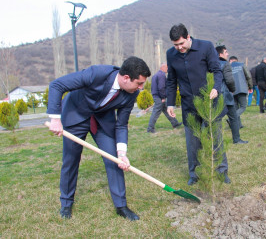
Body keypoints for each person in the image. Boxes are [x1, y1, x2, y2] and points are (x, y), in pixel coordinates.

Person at [47, 56, 151, 220]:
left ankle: (121, 206)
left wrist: (122, 153)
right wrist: (55, 119)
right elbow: (57, 85)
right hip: (76, 113)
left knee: (114, 160)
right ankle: (66, 203)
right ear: (125, 78)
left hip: (102, 119)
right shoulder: (97, 73)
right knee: (71, 159)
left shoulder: (131, 94)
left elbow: (122, 125)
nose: (141, 87)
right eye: (139, 83)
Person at [166, 23, 230, 185]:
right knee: (192, 143)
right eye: (175, 45)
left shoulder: (206, 47)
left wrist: (215, 88)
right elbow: (172, 81)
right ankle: (194, 175)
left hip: (209, 103)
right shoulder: (171, 54)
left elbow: (217, 71)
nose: (179, 47)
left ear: (188, 37)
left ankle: (222, 171)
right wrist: (170, 103)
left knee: (215, 138)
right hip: (189, 105)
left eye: (181, 43)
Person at [216, 46, 248, 144]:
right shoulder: (226, 64)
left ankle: (216, 141)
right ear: (220, 54)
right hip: (226, 95)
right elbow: (229, 80)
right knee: (233, 118)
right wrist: (233, 90)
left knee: (216, 119)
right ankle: (236, 139)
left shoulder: (211, 64)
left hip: (215, 95)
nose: (227, 54)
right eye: (225, 52)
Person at [147, 63, 182, 133]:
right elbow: (161, 87)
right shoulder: (162, 75)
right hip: (159, 97)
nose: (168, 69)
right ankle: (150, 128)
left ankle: (175, 123)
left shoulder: (156, 75)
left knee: (167, 110)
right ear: (163, 67)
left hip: (157, 96)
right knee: (156, 113)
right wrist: (163, 97)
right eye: (167, 67)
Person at [229, 56, 253, 128]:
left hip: (232, 90)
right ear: (236, 60)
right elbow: (248, 76)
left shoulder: (228, 66)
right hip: (241, 88)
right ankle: (231, 119)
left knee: (236, 108)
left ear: (230, 60)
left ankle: (239, 125)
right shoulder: (242, 65)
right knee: (243, 106)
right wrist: (250, 86)